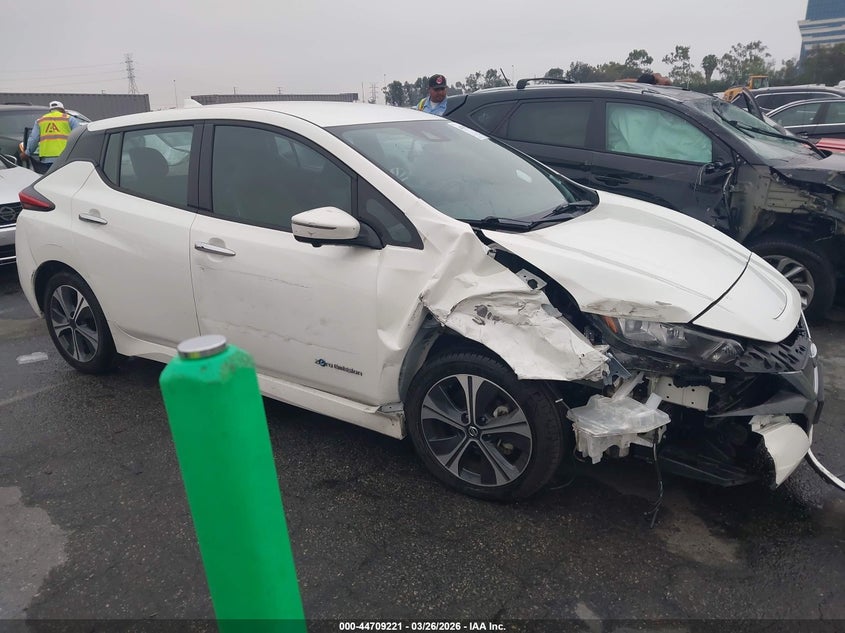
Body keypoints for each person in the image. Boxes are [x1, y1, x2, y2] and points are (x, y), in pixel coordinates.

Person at [23, 101, 82, 174]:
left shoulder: (41, 120)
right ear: (63, 110)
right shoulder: (69, 119)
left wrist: (27, 153)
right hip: (65, 158)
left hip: (46, 160)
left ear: (50, 110)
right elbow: (79, 136)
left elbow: (34, 139)